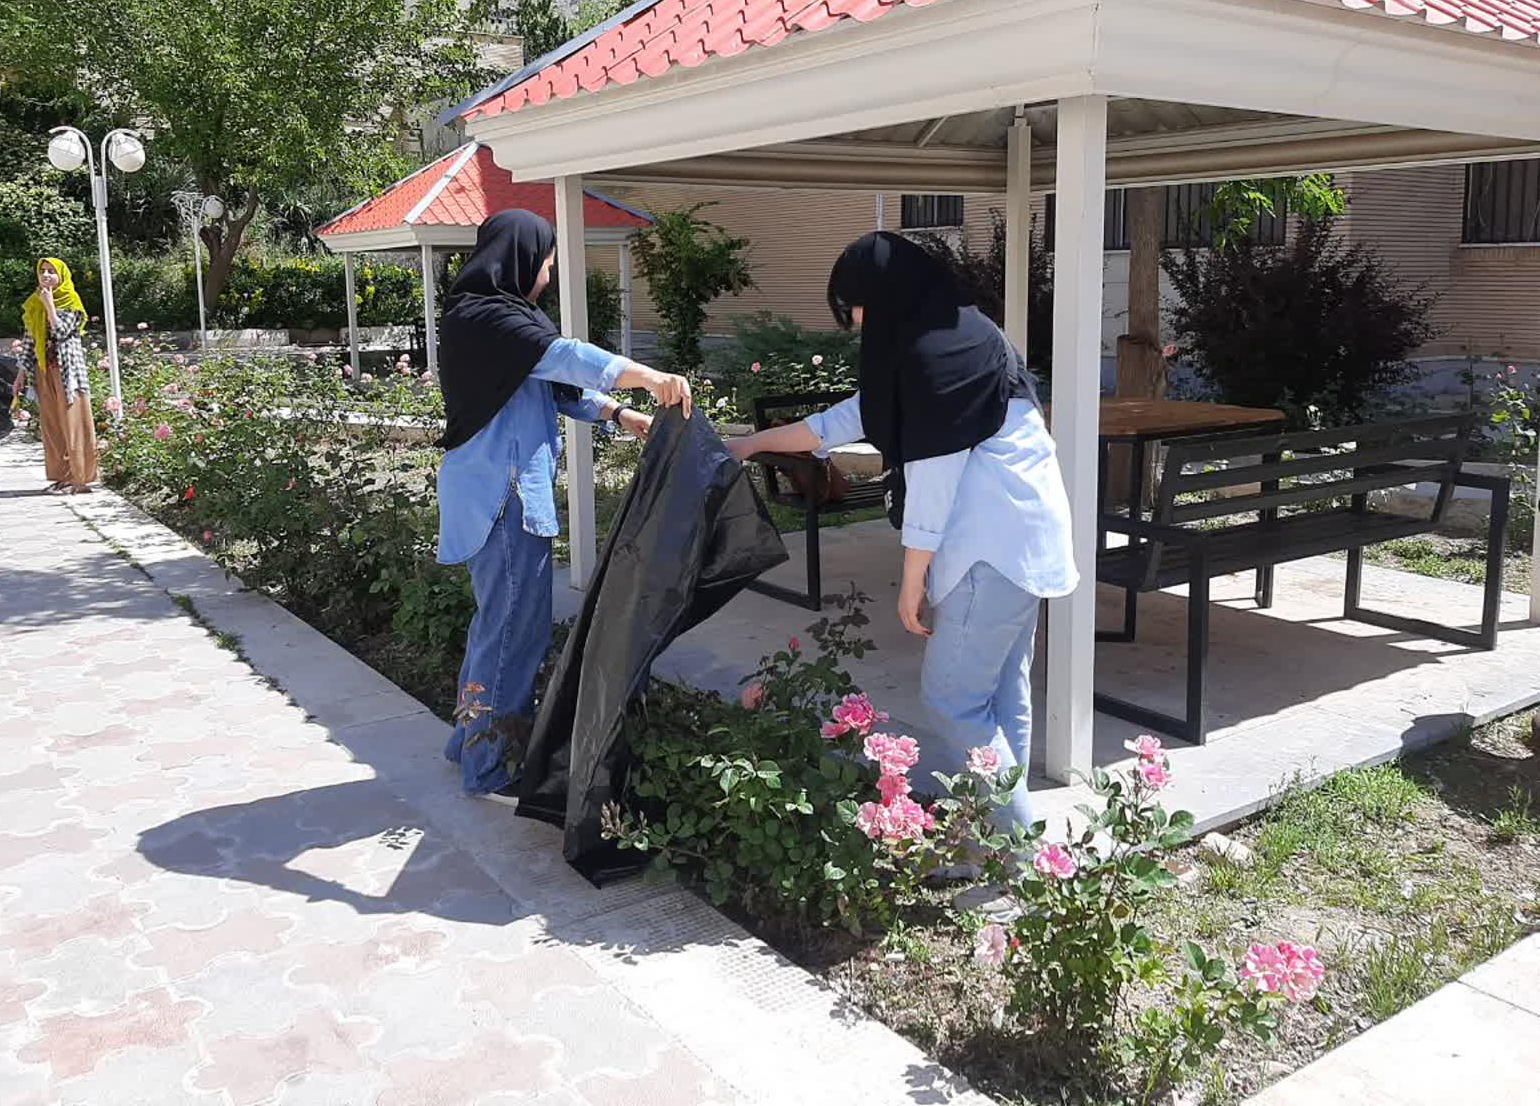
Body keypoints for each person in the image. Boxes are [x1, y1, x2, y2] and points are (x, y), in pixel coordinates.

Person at [726, 232, 1078, 837]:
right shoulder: (965, 336)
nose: (858, 324)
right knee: (1000, 696)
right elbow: (843, 421)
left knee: (953, 701)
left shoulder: (934, 359)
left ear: (881, 296)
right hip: (1029, 541)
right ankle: (1001, 841)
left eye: (855, 308)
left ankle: (1023, 857)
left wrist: (912, 579)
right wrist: (750, 444)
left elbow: (934, 478)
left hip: (987, 552)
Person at [435, 209, 693, 798]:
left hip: (497, 494)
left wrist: (620, 414)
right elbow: (568, 357)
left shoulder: (502, 319)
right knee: (513, 633)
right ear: (522, 258)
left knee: (496, 625)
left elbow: (555, 385)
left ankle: (468, 742)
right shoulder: (485, 317)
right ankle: (489, 768)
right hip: (500, 499)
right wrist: (648, 377)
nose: (548, 276)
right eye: (547, 264)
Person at [12, 256, 99, 494]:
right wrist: (21, 373)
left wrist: (50, 306)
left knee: (74, 422)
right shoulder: (35, 302)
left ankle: (81, 479)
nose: (46, 275)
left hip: (69, 373)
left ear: (62, 276)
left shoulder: (71, 300)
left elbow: (61, 332)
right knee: (52, 424)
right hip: (44, 371)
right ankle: (62, 476)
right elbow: (30, 340)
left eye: (51, 271)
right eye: (43, 271)